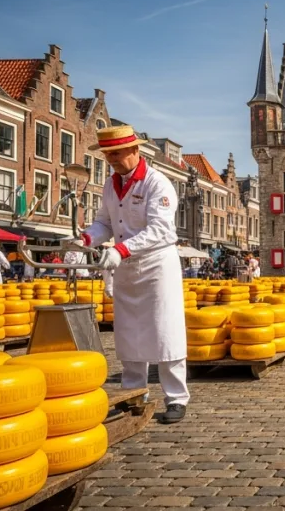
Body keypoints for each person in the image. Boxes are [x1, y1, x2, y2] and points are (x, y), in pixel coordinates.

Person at [69, 124, 190, 424]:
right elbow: (104, 223)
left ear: (135, 151)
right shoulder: (111, 185)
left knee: (166, 332)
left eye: (117, 153)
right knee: (128, 333)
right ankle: (134, 393)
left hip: (155, 266)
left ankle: (176, 397)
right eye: (108, 155)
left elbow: (161, 230)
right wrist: (86, 238)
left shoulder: (157, 183)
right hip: (125, 267)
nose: (112, 159)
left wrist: (121, 250)